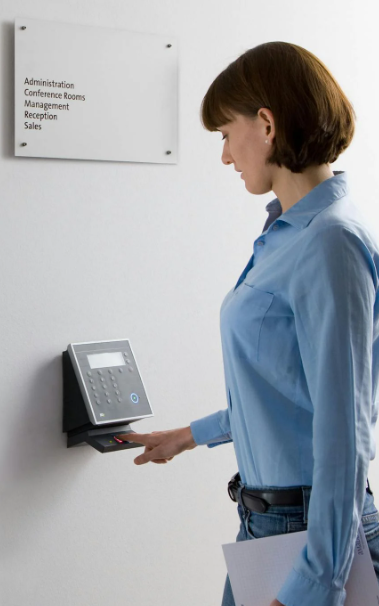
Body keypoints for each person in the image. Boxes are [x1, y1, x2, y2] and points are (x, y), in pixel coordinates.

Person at [119, 42, 379, 606]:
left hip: (311, 538)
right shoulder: (286, 235)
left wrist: (316, 585)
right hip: (270, 525)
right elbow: (289, 392)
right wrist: (188, 436)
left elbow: (344, 433)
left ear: (265, 123)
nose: (224, 156)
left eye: (223, 134)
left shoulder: (331, 241)